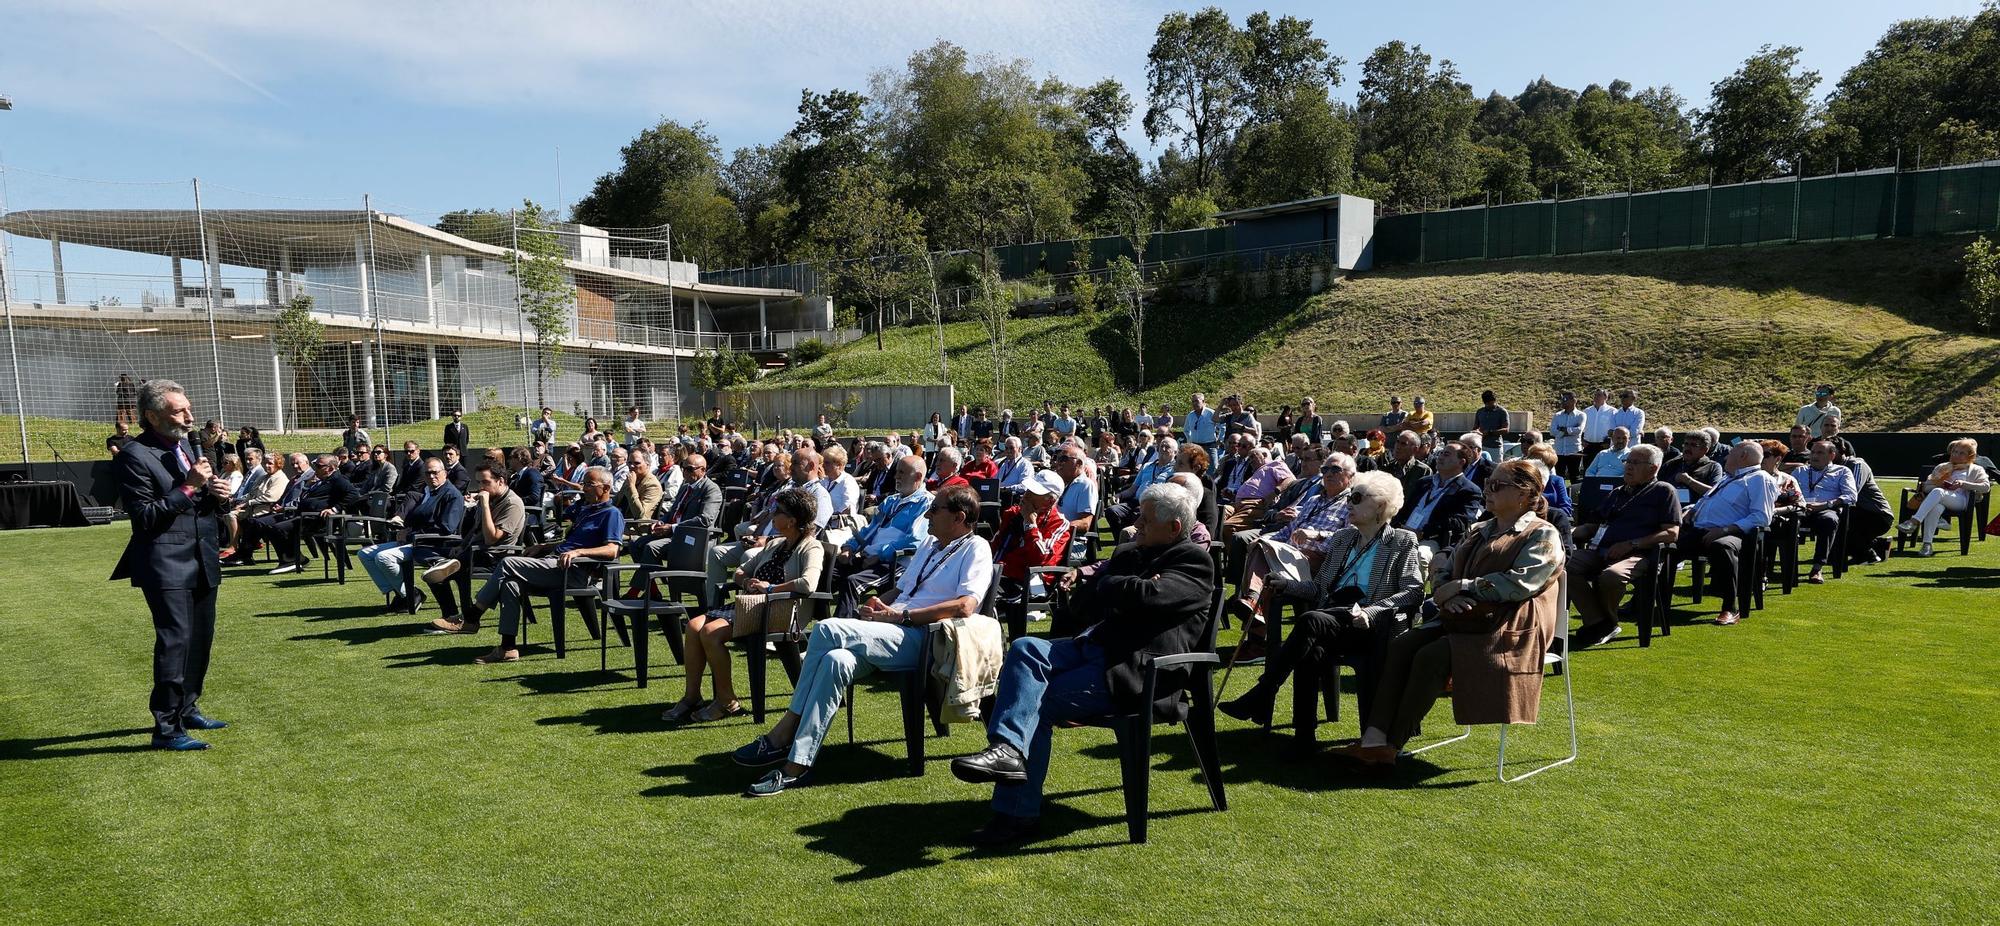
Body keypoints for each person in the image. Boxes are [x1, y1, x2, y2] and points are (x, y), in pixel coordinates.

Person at [948, 482, 1212, 846]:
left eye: (1146, 520)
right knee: (1025, 646)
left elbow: (1148, 596)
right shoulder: (1131, 553)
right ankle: (1008, 751)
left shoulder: (1193, 560)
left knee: (1033, 703)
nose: (1136, 524)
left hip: (1134, 672)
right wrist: (1126, 586)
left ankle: (1017, 816)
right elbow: (1083, 603)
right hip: (1094, 648)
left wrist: (1119, 586)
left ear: (1174, 528)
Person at [730, 485, 992, 797]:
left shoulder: (976, 548)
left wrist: (902, 617)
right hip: (894, 629)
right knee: (834, 661)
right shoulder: (930, 545)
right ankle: (796, 765)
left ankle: (785, 729)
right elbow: (902, 591)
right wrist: (878, 604)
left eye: (935, 509)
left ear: (959, 518)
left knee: (827, 629)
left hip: (925, 637)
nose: (927, 514)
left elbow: (965, 605)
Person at [1336, 459, 1565, 769]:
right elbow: (1445, 569)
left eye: (1497, 485)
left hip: (1508, 627)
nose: (1488, 490)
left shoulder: (1543, 534)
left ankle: (1391, 744)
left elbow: (1522, 582)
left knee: (1431, 656)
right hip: (1461, 617)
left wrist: (1465, 587)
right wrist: (1446, 593)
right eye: (1488, 484)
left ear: (1525, 494)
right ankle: (1373, 738)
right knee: (1402, 644)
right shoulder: (1480, 529)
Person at [1220, 471, 1422, 755]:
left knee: (1310, 623)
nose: (1349, 504)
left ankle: (1263, 693)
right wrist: (1286, 583)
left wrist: (1372, 612)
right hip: (1333, 619)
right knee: (1310, 648)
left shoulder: (1401, 541)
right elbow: (1318, 588)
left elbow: (1414, 592)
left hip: (1370, 626)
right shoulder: (1343, 539)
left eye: (1357, 498)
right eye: (1350, 497)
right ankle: (1303, 738)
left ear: (1380, 506)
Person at [111, 379, 233, 751]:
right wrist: (189, 487)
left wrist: (217, 497)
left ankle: (188, 706)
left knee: (200, 639)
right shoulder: (135, 455)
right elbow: (145, 517)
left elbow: (197, 509)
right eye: (178, 411)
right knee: (174, 642)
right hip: (165, 563)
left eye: (188, 408)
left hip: (202, 557)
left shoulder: (185, 448)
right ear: (152, 416)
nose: (189, 417)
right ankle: (166, 728)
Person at [664, 487, 827, 725]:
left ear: (792, 520)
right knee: (693, 626)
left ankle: (726, 701)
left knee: (709, 632)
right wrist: (746, 580)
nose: (772, 514)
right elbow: (741, 571)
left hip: (778, 610)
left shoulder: (811, 547)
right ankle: (692, 696)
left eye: (778, 511)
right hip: (752, 605)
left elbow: (808, 583)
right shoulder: (775, 544)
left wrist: (769, 588)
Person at [456, 467, 625, 663]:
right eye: (584, 483)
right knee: (511, 584)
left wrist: (579, 552)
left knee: (508, 562)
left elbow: (612, 550)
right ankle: (508, 647)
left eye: (589, 484)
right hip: (554, 564)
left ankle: (473, 614)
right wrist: (544, 546)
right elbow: (573, 541)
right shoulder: (586, 509)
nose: (583, 487)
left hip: (574, 571)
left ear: (605, 488)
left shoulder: (611, 513)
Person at [1228, 454, 1357, 662]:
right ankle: (1257, 631)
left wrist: (1316, 535)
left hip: (1318, 561)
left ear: (1350, 476)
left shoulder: (1353, 503)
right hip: (1288, 557)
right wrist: (1263, 541)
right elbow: (1288, 530)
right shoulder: (1314, 500)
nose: (1329, 474)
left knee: (1265, 560)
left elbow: (1350, 538)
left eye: (1335, 470)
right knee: (1259, 549)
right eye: (1325, 470)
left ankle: (1256, 631)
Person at [1566, 444, 1680, 648]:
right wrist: (1566, 534)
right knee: (1563, 565)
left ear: (1653, 468)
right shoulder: (1618, 492)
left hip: (1640, 554)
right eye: (1627, 461)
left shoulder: (1663, 491)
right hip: (1601, 550)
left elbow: (1672, 533)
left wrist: (1631, 544)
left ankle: (1606, 622)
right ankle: (1599, 622)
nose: (1628, 466)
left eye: (1635, 463)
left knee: (1612, 576)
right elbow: (1591, 526)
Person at [420, 462, 527, 630]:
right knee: (435, 568)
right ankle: (450, 615)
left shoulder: (512, 503)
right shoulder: (490, 497)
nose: (481, 487)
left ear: (500, 481)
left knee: (458, 566)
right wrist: (462, 545)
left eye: (485, 482)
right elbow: (475, 529)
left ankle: (467, 620)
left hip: (496, 556)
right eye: (478, 483)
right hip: (475, 551)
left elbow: (492, 539)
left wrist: (484, 505)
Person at [1678, 441, 1775, 626]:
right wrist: (1689, 511)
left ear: (1743, 456)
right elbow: (1705, 501)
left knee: (1722, 546)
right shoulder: (1727, 478)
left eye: (1730, 454)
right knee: (1667, 543)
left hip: (1737, 534)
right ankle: (1646, 599)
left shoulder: (1760, 478)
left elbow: (1761, 517)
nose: (1725, 457)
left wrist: (1724, 530)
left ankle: (1730, 608)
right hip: (1700, 529)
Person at [357, 456, 465, 609]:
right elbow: (417, 519)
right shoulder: (430, 492)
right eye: (427, 473)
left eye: (435, 472)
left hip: (431, 545)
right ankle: (404, 594)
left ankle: (410, 595)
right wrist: (405, 530)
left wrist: (409, 534)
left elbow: (446, 528)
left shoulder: (451, 495)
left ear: (445, 473)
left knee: (383, 558)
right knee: (365, 554)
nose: (431, 476)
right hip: (414, 540)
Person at [832, 455, 933, 619]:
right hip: (871, 557)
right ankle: (808, 616)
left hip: (895, 563)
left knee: (852, 582)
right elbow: (869, 530)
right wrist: (849, 547)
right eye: (897, 472)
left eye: (901, 473)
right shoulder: (891, 501)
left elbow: (915, 542)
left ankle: (842, 629)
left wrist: (880, 555)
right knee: (830, 570)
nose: (896, 476)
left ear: (918, 477)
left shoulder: (926, 503)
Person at [1395, 440, 1484, 564]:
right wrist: (1399, 526)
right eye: (1441, 453)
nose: (1440, 457)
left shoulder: (1469, 490)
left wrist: (1423, 532)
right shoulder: (1424, 482)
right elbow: (1405, 508)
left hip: (1432, 538)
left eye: (1446, 454)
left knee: (1420, 555)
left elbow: (1460, 523)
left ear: (1461, 462)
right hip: (1405, 530)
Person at [1900, 438, 1992, 557]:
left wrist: (1963, 484)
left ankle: (1913, 521)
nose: (1956, 455)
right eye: (1954, 451)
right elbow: (1926, 487)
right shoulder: (1942, 467)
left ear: (1970, 456)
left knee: (1939, 492)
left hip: (1962, 500)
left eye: (1961, 453)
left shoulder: (1976, 469)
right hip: (1940, 498)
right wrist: (1940, 483)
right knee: (1936, 506)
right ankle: (1927, 545)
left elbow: (1986, 487)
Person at [1793, 440, 1858, 583]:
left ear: (1832, 455)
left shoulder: (1842, 471)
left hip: (1825, 509)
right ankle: (1786, 566)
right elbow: (1787, 489)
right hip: (1800, 508)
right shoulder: (1800, 471)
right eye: (1813, 452)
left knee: (1829, 520)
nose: (1814, 456)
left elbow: (1851, 496)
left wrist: (1825, 505)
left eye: (1820, 452)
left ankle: (1817, 568)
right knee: (1783, 520)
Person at [1661, 429, 1723, 500]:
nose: (1687, 448)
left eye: (1693, 445)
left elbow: (1715, 493)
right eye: (1686, 444)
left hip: (1698, 509)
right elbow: (1658, 487)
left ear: (1704, 450)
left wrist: (1689, 481)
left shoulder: (1713, 467)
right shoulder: (1671, 464)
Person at [612, 450, 663, 522]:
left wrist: (632, 487)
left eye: (637, 463)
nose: (631, 466)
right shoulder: (631, 478)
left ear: (648, 465)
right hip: (618, 519)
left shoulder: (653, 485)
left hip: (634, 526)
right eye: (629, 463)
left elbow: (639, 514)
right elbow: (616, 500)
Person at [1550, 391, 1585, 482]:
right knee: (1558, 476)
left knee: (1575, 476)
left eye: (1565, 399)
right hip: (1559, 451)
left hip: (1574, 451)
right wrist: (1567, 432)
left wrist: (1564, 430)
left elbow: (1579, 429)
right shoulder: (1557, 415)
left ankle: (1574, 495)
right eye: (1562, 399)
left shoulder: (1581, 415)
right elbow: (1553, 431)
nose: (1562, 401)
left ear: (1574, 401)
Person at [1579, 388, 1616, 463]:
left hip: (1604, 446)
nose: (1596, 397)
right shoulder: (1587, 411)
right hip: (1588, 446)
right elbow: (1581, 427)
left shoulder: (1612, 411)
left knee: (1603, 469)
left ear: (1605, 397)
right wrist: (1582, 440)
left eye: (1599, 395)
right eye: (1595, 395)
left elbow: (1615, 428)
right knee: (1588, 469)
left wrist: (1610, 442)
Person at [1185, 392, 1221, 458]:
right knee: (1196, 467)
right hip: (1195, 447)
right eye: (1193, 401)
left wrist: (1220, 439)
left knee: (1213, 467)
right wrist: (1190, 440)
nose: (1194, 403)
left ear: (1203, 401)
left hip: (1210, 446)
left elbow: (1221, 426)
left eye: (1196, 401)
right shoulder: (1190, 415)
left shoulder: (1211, 413)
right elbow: (1186, 430)